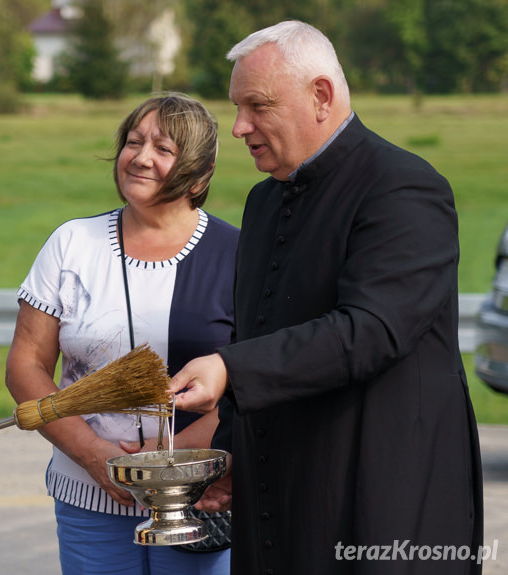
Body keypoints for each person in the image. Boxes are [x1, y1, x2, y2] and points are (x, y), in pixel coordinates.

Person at [170, 20, 484, 575]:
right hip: (277, 496)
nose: (240, 127)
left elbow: (372, 330)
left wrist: (230, 368)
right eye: (237, 108)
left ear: (321, 96)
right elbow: (254, 334)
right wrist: (228, 452)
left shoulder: (403, 187)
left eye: (258, 106)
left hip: (381, 501)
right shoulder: (264, 201)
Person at [5, 93, 238, 575]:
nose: (141, 157)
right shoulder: (71, 244)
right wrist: (94, 456)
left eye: (163, 148)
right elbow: (26, 366)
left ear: (200, 170)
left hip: (200, 498)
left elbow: (254, 379)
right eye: (134, 142)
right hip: (87, 496)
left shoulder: (238, 254)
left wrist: (172, 461)